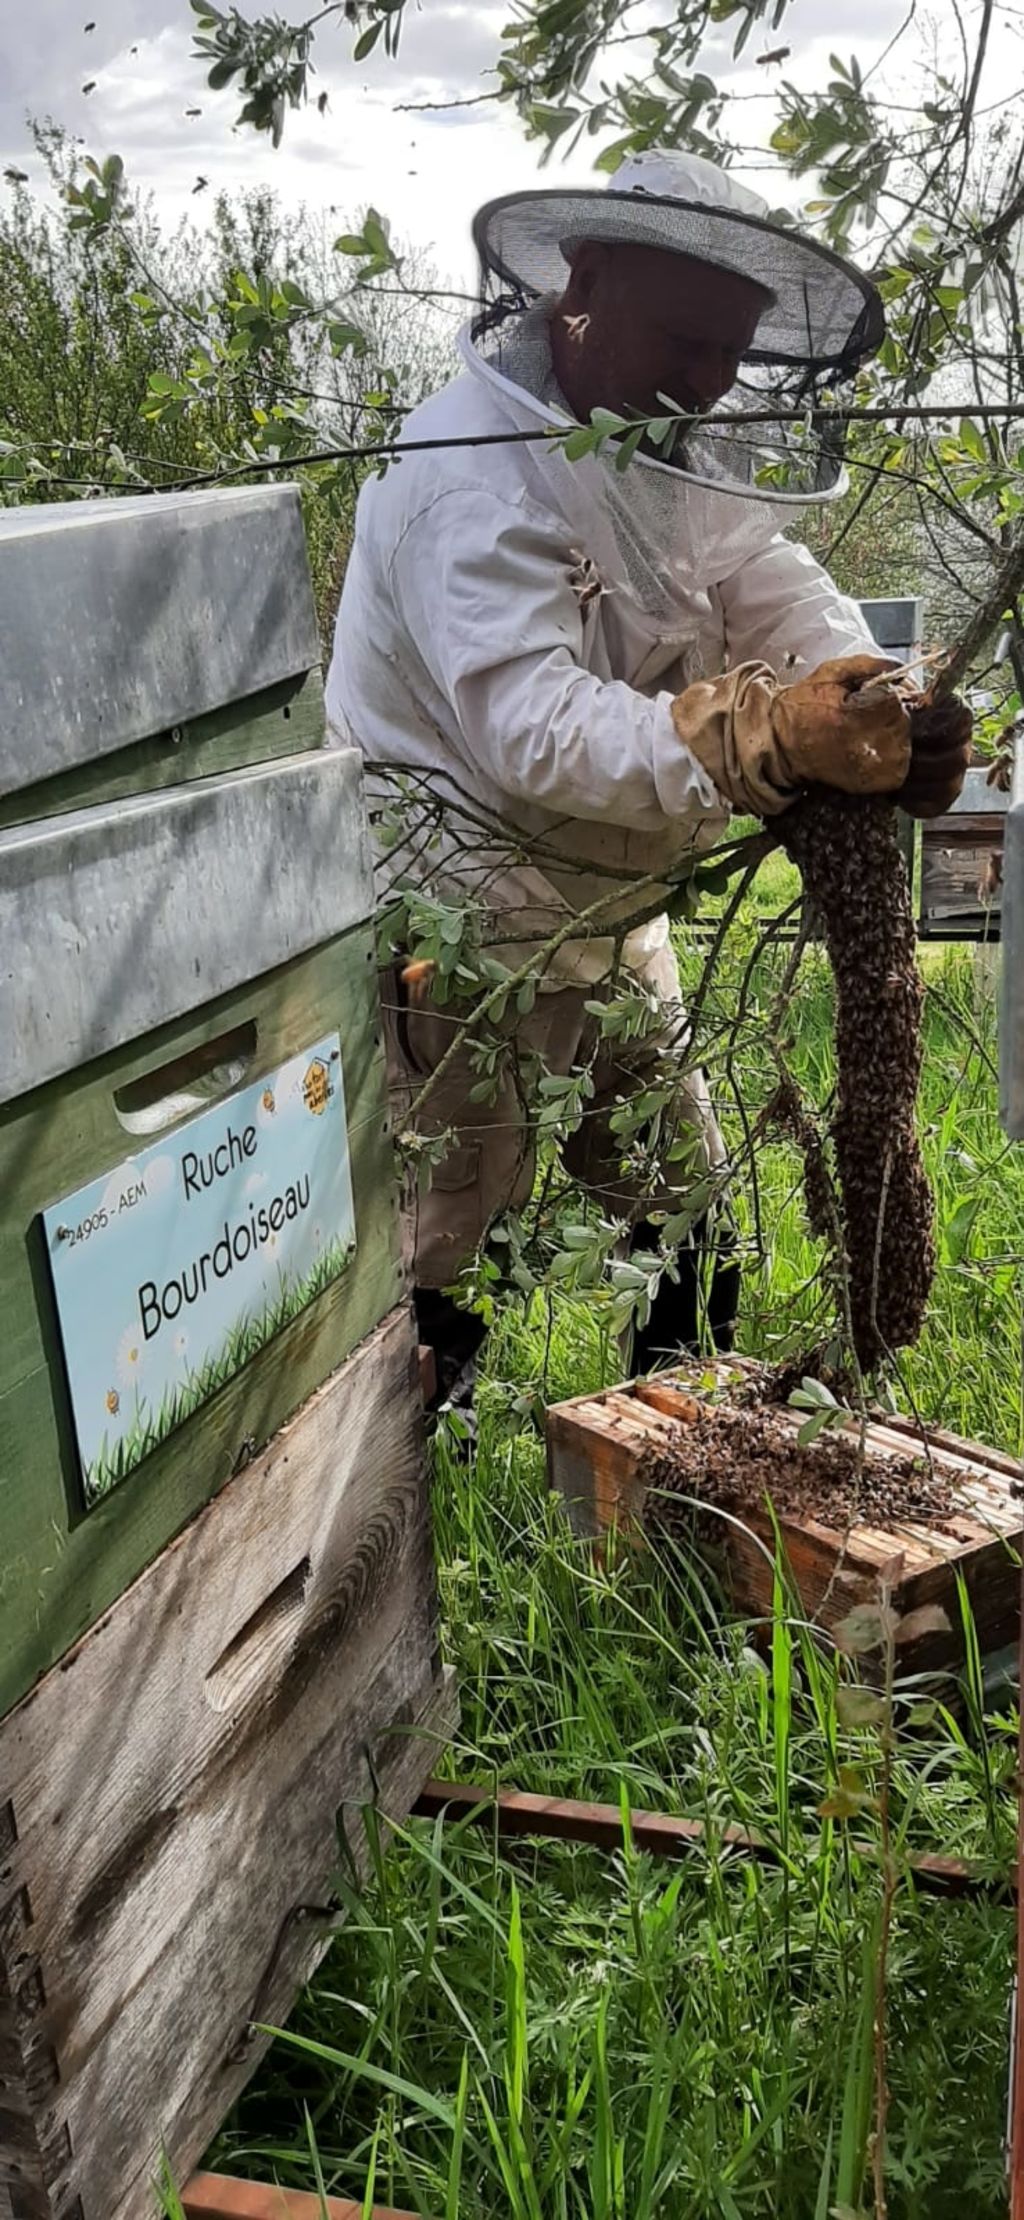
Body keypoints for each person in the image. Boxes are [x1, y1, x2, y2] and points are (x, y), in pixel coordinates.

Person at [326, 151, 971, 1403]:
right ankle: (382, 1558)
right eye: (685, 337)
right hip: (462, 941)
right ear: (586, 283)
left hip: (612, 921)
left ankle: (671, 1491)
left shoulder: (664, 448)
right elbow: (536, 730)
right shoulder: (467, 475)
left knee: (689, 1221)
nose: (711, 378)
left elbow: (756, 582)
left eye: (732, 351)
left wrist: (872, 690)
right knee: (445, 1273)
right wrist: (765, 738)